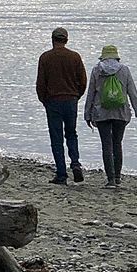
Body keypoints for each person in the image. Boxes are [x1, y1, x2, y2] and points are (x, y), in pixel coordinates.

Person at [84, 44, 137, 188]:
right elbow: (132, 93)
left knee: (106, 145)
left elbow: (91, 94)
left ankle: (110, 179)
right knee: (117, 144)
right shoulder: (124, 70)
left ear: (103, 56)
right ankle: (118, 177)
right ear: (117, 56)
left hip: (101, 113)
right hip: (121, 112)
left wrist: (87, 114)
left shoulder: (97, 70)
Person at [36, 27, 87, 184]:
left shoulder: (45, 57)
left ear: (53, 40)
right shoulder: (75, 57)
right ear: (66, 40)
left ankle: (61, 173)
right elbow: (83, 81)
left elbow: (40, 83)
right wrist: (76, 96)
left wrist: (44, 100)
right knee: (71, 133)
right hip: (71, 100)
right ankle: (76, 163)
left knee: (56, 137)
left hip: (53, 101)